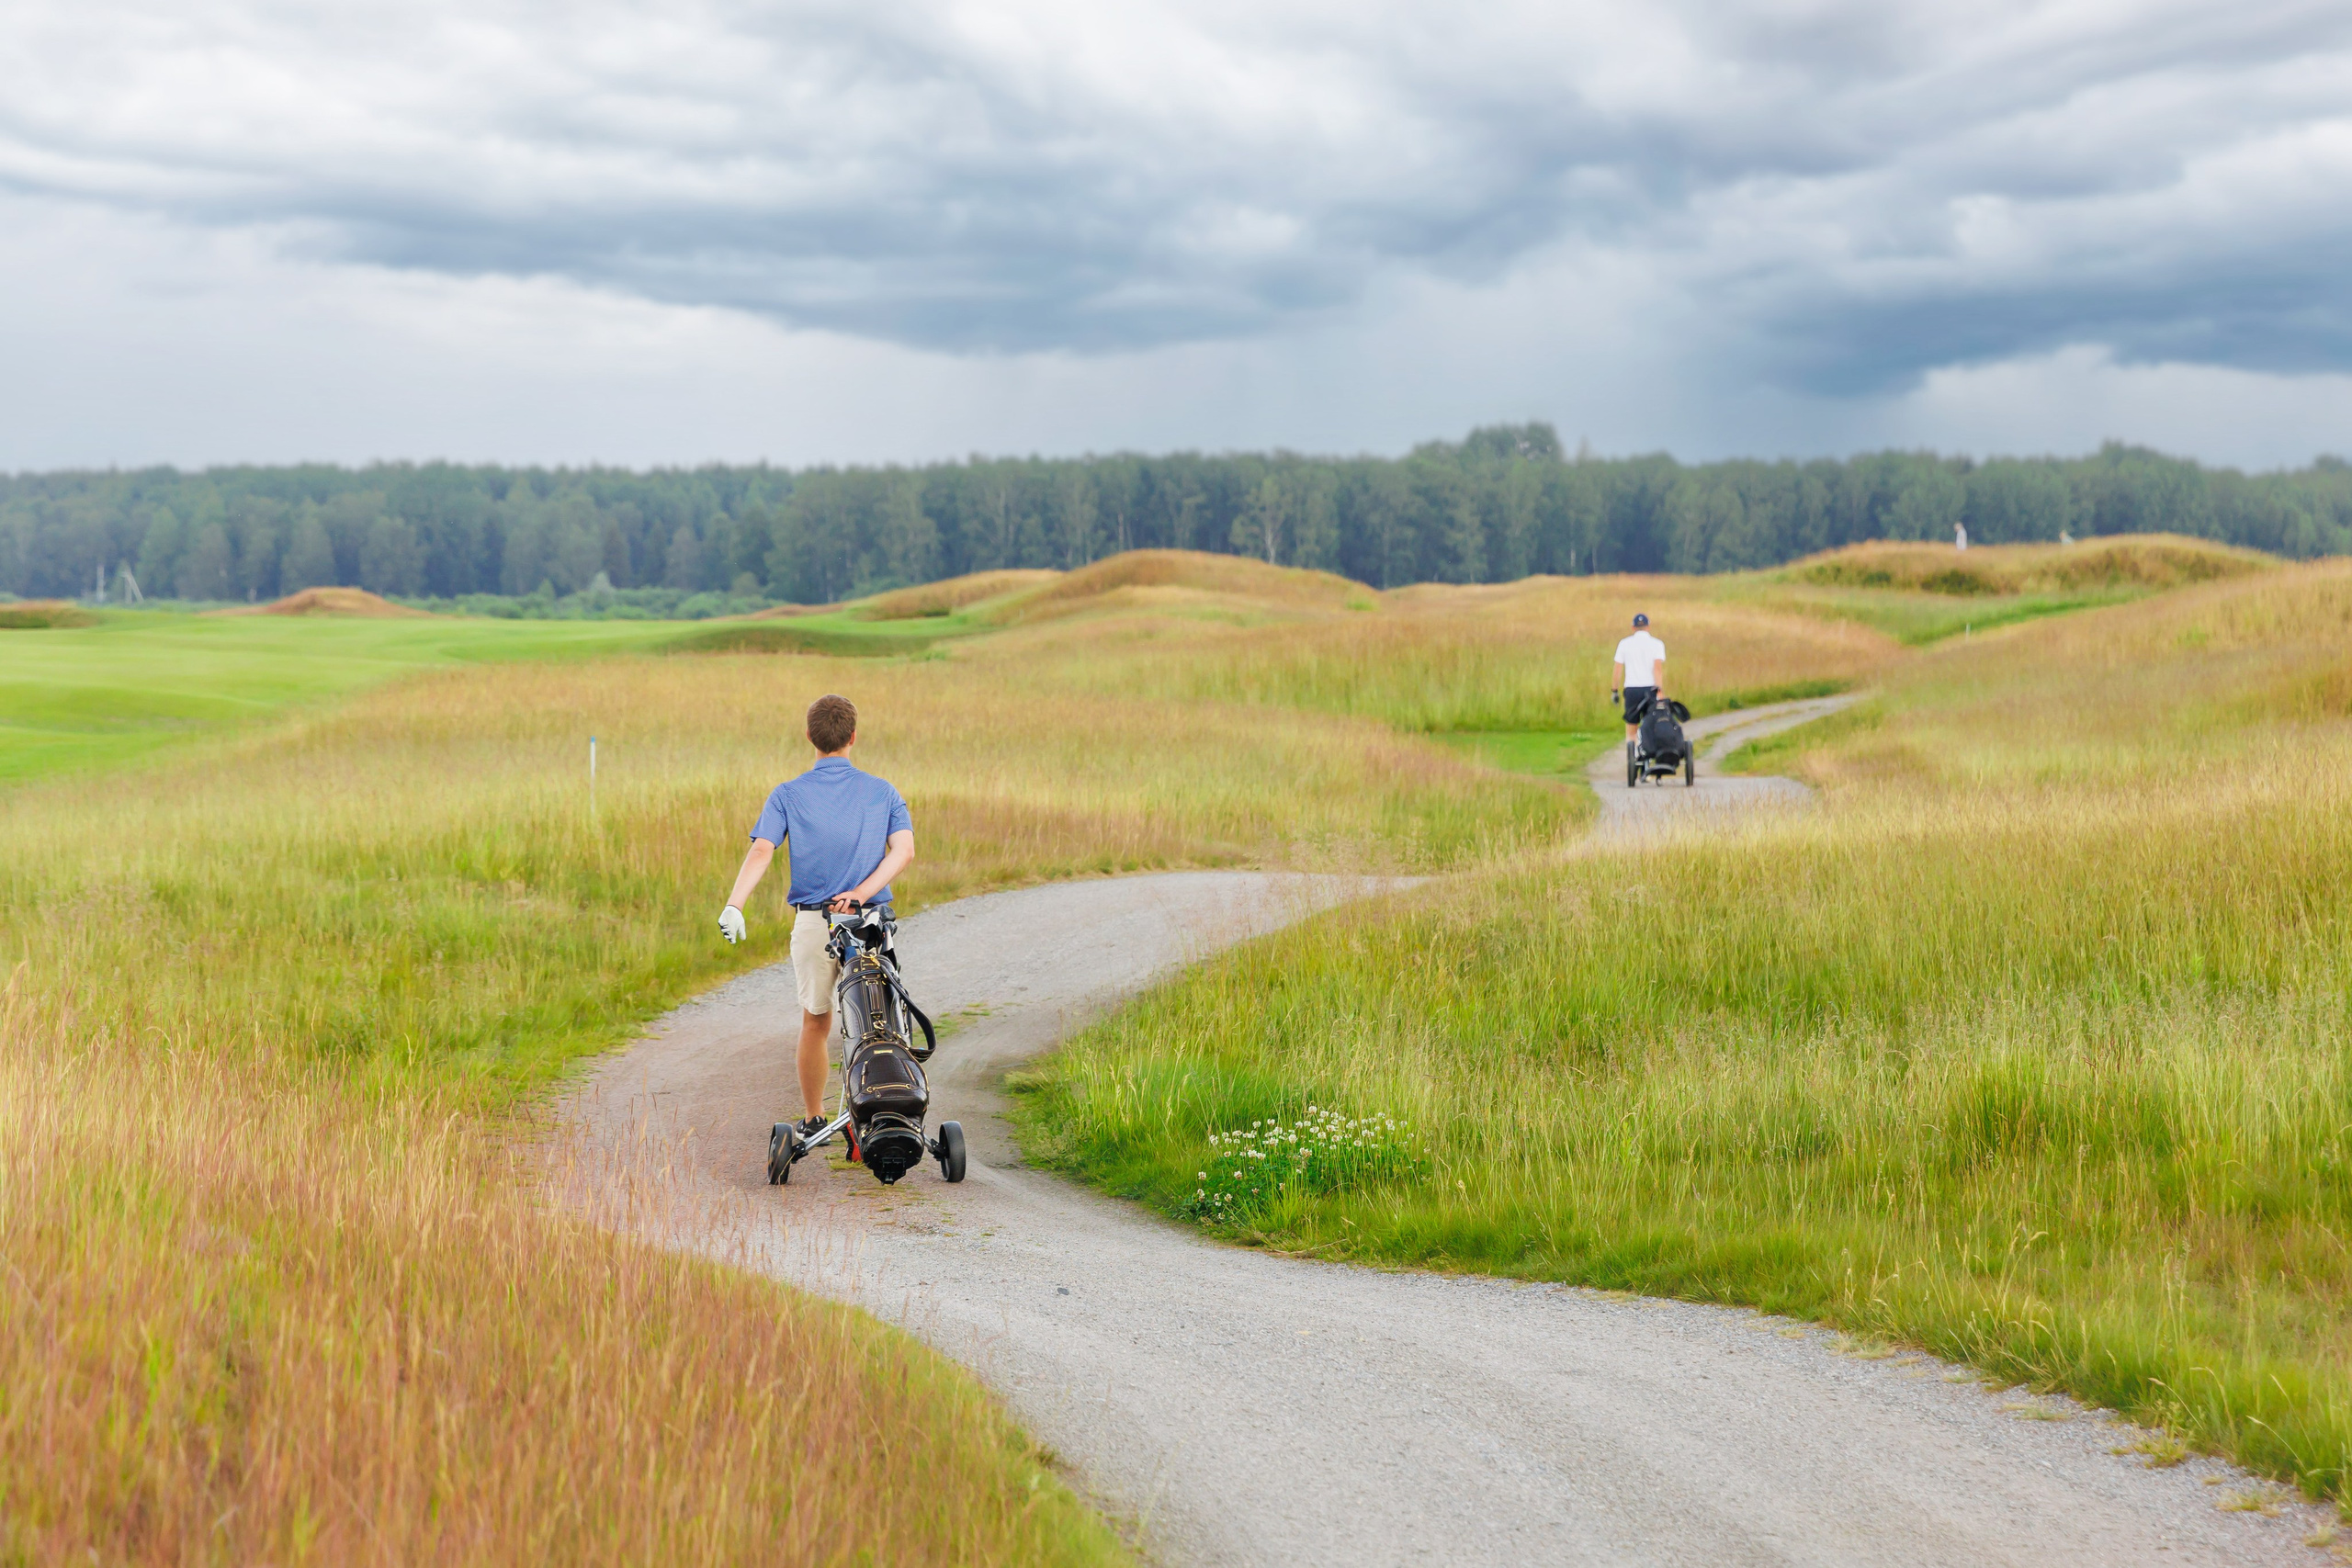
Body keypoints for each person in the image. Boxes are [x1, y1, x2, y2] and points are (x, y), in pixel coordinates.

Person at [717, 694, 915, 1145]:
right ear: (853, 737)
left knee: (816, 1021)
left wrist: (735, 904)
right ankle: (885, 1110)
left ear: (810, 736)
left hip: (815, 923)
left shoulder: (787, 794)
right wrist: (861, 893)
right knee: (882, 1020)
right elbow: (903, 852)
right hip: (870, 923)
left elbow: (762, 849)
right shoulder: (883, 791)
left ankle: (813, 1120)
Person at [1611, 613, 1668, 760]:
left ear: (1633, 628)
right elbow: (1657, 669)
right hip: (1650, 689)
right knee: (1650, 725)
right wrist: (1660, 691)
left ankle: (1634, 758)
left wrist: (1614, 690)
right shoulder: (1657, 644)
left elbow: (1618, 669)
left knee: (1631, 728)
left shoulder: (1624, 644)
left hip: (1632, 690)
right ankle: (1648, 755)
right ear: (1648, 627)